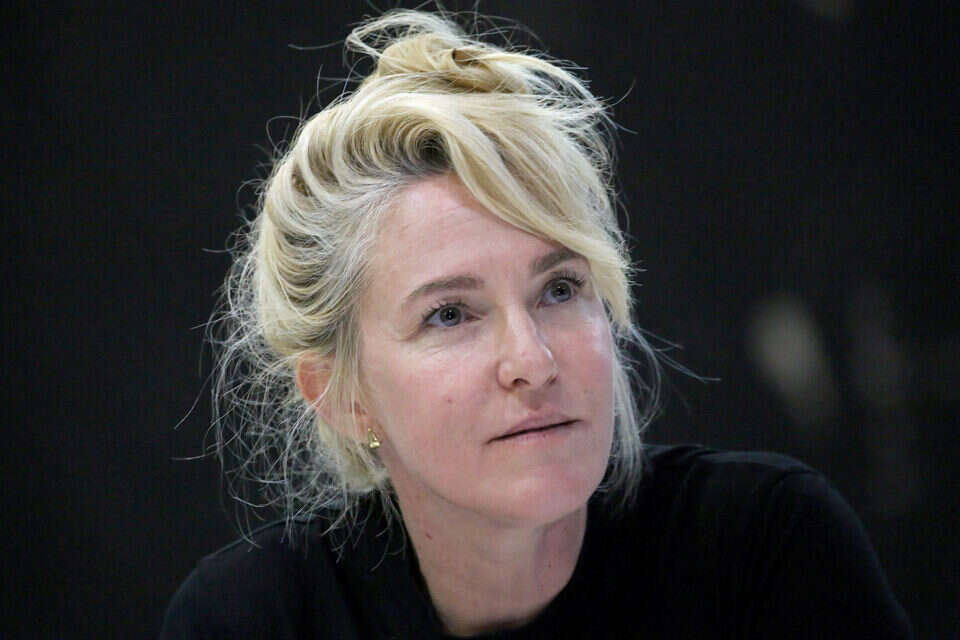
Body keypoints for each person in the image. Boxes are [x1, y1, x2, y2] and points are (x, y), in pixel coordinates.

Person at [161, 9, 912, 639]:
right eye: (449, 314)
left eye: (559, 289)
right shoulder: (252, 619)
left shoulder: (766, 551)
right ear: (341, 396)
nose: (533, 359)